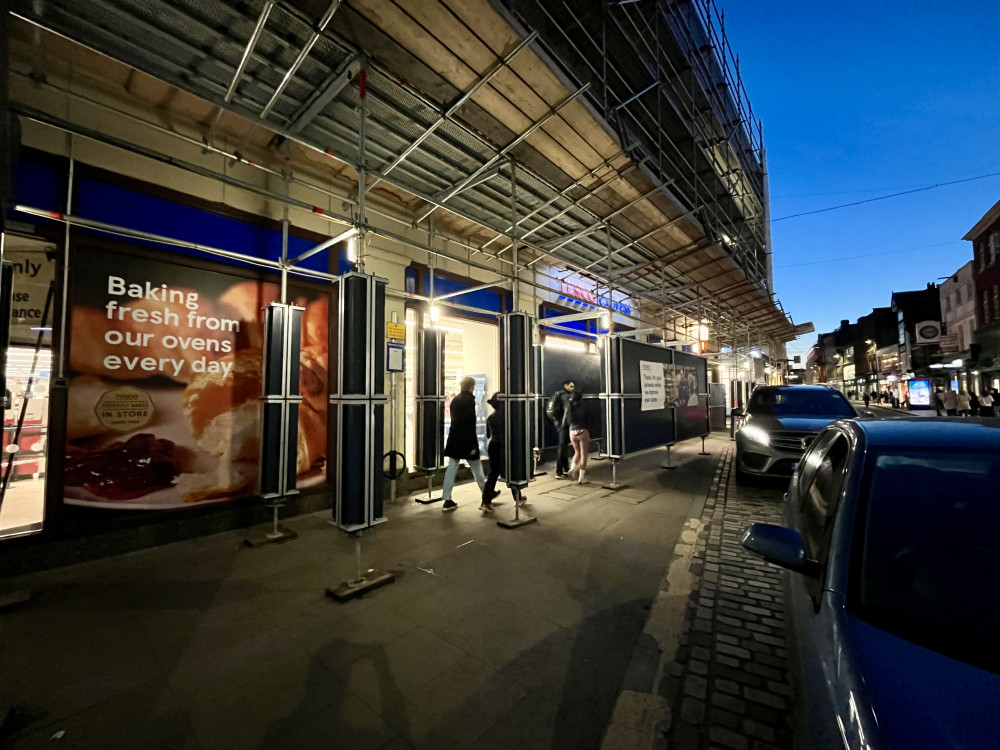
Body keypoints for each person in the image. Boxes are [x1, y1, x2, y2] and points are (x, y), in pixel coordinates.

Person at [441, 376, 493, 512]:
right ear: (471, 387)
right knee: (477, 469)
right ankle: (486, 495)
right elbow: (469, 424)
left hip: (454, 439)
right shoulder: (470, 401)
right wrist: (473, 444)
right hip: (466, 441)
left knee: (451, 468)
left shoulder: (455, 400)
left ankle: (447, 499)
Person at [480, 393, 526, 513]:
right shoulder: (510, 417)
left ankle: (485, 501)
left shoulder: (491, 417)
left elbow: (488, 434)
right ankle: (518, 497)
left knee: (493, 473)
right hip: (506, 446)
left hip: (493, 445)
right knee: (512, 472)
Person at [547, 379, 575, 478]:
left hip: (557, 423)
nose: (573, 388)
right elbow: (567, 411)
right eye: (571, 386)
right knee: (562, 447)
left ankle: (566, 468)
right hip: (563, 424)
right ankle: (559, 471)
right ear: (566, 386)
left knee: (563, 446)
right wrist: (566, 423)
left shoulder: (558, 394)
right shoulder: (565, 396)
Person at [565, 390, 593, 484]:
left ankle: (572, 469)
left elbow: (566, 420)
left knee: (577, 452)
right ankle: (581, 478)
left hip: (572, 431)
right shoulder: (584, 406)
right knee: (584, 454)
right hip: (583, 431)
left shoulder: (569, 406)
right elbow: (589, 419)